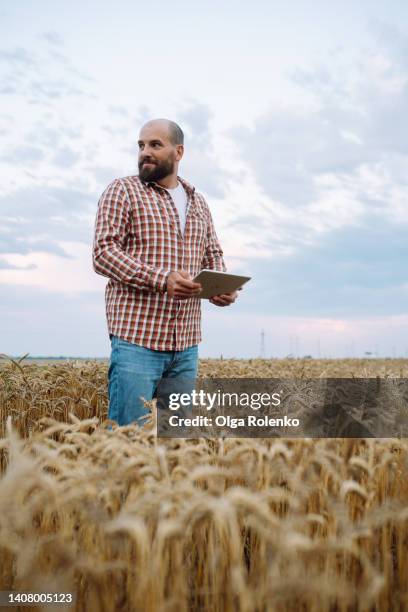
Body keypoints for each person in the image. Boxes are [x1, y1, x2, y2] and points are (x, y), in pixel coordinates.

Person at [93, 118, 238, 426]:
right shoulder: (122, 191)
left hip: (186, 345)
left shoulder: (199, 202)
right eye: (141, 145)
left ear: (179, 152)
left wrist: (221, 286)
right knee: (128, 442)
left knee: (177, 445)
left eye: (155, 145)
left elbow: (212, 253)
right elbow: (103, 253)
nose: (145, 152)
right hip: (137, 341)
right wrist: (162, 279)